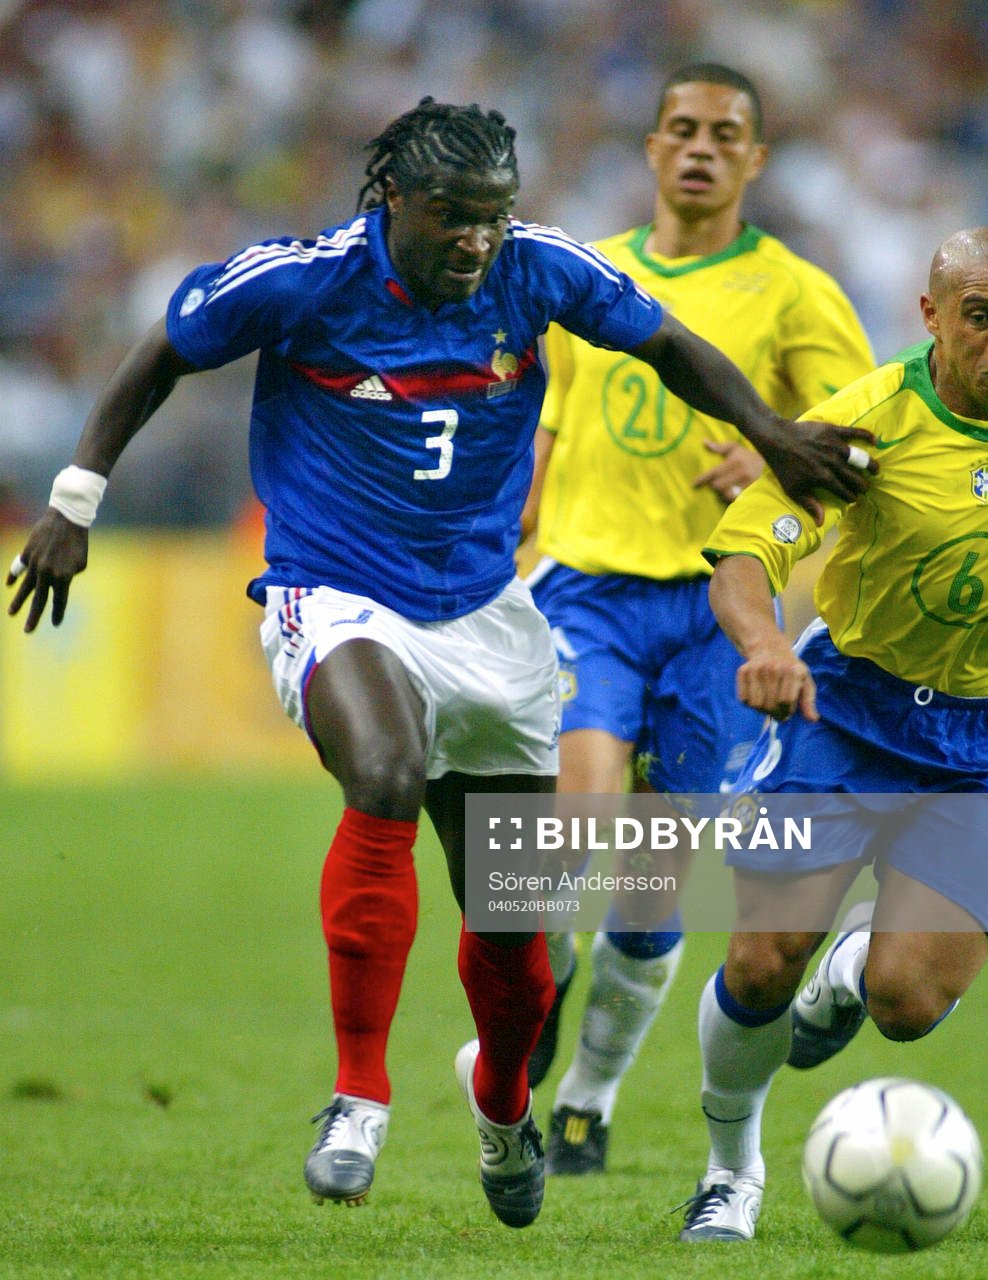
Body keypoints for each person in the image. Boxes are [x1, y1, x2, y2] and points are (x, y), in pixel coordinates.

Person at [5, 98, 878, 1230]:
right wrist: (77, 497)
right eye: (454, 219)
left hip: (485, 614)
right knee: (385, 766)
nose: (477, 240)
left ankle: (504, 1102)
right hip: (336, 589)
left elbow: (664, 341)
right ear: (395, 204)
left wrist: (770, 434)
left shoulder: (536, 271)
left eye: (493, 218)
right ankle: (355, 1093)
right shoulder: (305, 280)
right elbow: (163, 350)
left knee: (513, 918)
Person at [677, 225, 988, 1242]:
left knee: (905, 999)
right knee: (761, 959)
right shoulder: (862, 423)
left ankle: (855, 968)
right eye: (980, 317)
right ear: (930, 316)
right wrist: (764, 640)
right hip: (847, 711)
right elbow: (745, 552)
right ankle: (731, 1169)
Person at [518, 63, 875, 1177]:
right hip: (581, 585)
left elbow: (860, 446)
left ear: (754, 160)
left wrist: (772, 450)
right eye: (681, 128)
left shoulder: (794, 292)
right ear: (649, 146)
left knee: (650, 882)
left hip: (713, 610)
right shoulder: (590, 276)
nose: (700, 147)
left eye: (725, 133)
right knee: (571, 822)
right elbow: (539, 418)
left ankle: (588, 1091)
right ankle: (537, 967)